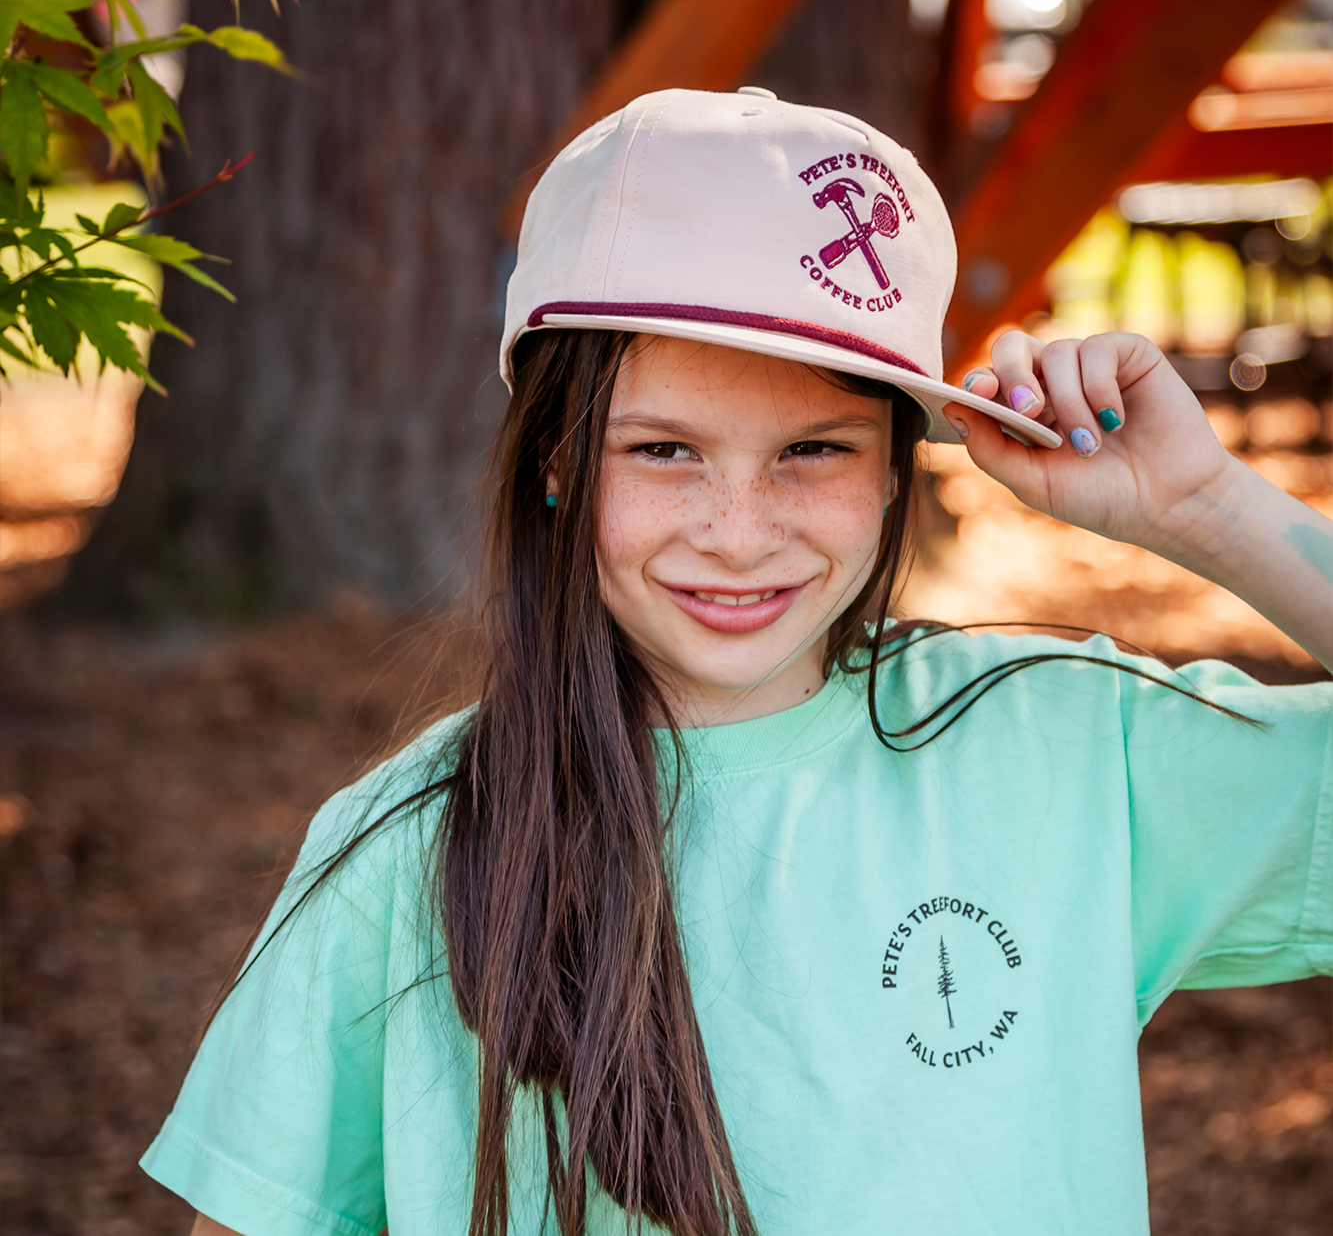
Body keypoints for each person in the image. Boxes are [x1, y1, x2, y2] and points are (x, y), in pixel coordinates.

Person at [142, 89, 1332, 1236]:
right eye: (663, 449)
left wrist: (1205, 508)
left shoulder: (1066, 747)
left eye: (812, 449)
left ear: (891, 470)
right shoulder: (408, 841)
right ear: (553, 462)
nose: (739, 529)